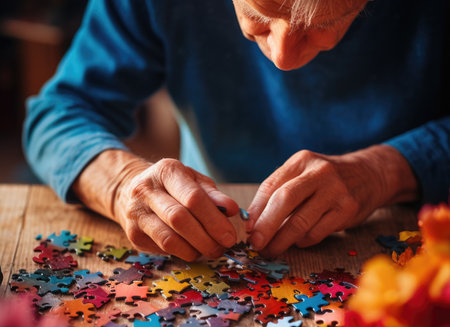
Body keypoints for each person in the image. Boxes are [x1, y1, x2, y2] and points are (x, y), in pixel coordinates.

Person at [24, 0, 450, 261]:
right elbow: (59, 113)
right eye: (258, 16)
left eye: (325, 21)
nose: (283, 57)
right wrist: (119, 183)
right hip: (206, 237)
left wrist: (387, 170)